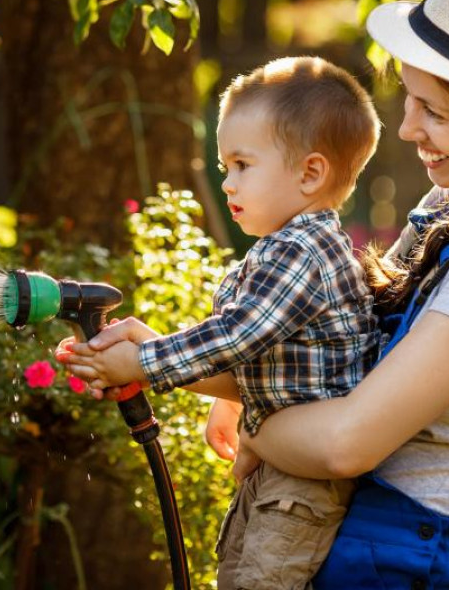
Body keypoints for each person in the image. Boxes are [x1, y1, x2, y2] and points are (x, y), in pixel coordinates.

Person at [66, 0, 449, 589]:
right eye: (409, 99)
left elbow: (343, 442)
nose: (407, 128)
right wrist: (159, 355)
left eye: (434, 111)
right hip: (365, 554)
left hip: (419, 570)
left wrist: (251, 423)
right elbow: (338, 379)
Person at [58, 55, 382, 590]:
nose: (227, 182)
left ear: (310, 172)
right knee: (233, 572)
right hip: (277, 466)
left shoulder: (304, 252)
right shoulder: (278, 250)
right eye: (224, 166)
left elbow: (237, 334)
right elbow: (266, 344)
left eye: (242, 165)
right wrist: (227, 399)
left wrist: (141, 360)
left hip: (304, 484)